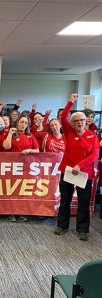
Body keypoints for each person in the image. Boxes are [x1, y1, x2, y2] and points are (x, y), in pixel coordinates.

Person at [54, 94, 99, 241]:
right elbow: (64, 116)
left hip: (85, 174)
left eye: (82, 120)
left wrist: (79, 165)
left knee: (83, 201)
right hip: (67, 172)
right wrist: (71, 101)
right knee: (65, 199)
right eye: (76, 121)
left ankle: (82, 230)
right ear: (72, 123)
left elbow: (94, 155)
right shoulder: (68, 132)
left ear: (86, 121)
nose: (80, 123)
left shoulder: (92, 136)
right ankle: (62, 226)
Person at [3, 115, 39, 222]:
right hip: (13, 166)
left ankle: (21, 212)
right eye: (21, 122)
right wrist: (10, 134)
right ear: (17, 123)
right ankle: (11, 212)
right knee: (13, 189)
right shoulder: (12, 133)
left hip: (27, 166)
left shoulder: (30, 135)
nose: (23, 125)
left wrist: (30, 151)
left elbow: (37, 150)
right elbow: (6, 147)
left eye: (25, 123)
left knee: (23, 190)